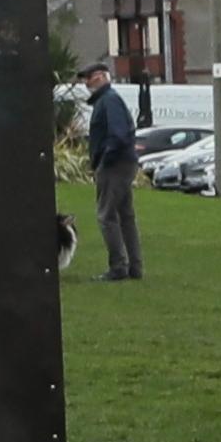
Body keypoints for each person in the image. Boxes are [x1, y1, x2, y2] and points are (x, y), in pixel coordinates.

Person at [79, 59, 144, 279]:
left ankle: (118, 267)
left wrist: (104, 159)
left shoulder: (108, 100)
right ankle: (135, 267)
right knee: (125, 216)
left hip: (114, 165)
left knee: (106, 216)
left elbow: (117, 134)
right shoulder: (109, 100)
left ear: (99, 77)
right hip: (123, 162)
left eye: (88, 78)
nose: (86, 84)